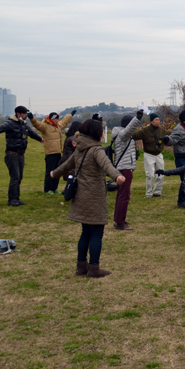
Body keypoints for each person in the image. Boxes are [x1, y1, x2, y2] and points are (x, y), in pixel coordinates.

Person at [51, 119, 125, 278]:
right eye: (102, 130)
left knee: (85, 232)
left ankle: (81, 266)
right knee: (97, 233)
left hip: (80, 196)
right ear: (96, 133)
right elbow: (107, 165)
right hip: (94, 197)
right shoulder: (96, 150)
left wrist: (54, 174)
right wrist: (118, 176)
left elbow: (66, 165)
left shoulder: (80, 148)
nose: (104, 133)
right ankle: (93, 268)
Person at [0, 106, 44, 206]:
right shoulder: (10, 123)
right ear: (18, 114)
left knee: (19, 178)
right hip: (12, 154)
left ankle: (17, 198)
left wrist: (40, 139)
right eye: (24, 114)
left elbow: (31, 133)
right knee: (15, 177)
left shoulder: (24, 124)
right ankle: (12, 200)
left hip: (21, 154)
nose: (25, 116)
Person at [110, 110, 144, 231]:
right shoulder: (122, 135)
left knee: (121, 195)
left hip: (123, 167)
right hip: (125, 169)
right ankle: (120, 222)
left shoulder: (120, 135)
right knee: (124, 196)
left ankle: (118, 220)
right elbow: (129, 130)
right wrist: (137, 118)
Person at [29, 110, 76, 195]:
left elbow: (65, 121)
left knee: (57, 171)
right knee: (49, 171)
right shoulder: (45, 126)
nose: (58, 120)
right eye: (56, 119)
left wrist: (71, 114)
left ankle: (54, 188)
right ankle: (47, 189)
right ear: (52, 119)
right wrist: (31, 118)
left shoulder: (58, 126)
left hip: (58, 152)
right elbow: (36, 124)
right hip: (50, 153)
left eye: (58, 119)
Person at [133, 113, 171, 199]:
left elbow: (171, 134)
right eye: (156, 120)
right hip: (149, 154)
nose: (158, 122)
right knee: (150, 175)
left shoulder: (162, 130)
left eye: (158, 120)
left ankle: (157, 192)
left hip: (159, 154)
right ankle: (149, 193)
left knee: (161, 174)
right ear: (151, 121)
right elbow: (134, 136)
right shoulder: (145, 130)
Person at [166, 110, 185, 208]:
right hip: (181, 157)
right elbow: (172, 139)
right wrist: (166, 140)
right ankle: (181, 201)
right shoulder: (178, 129)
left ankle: (184, 199)